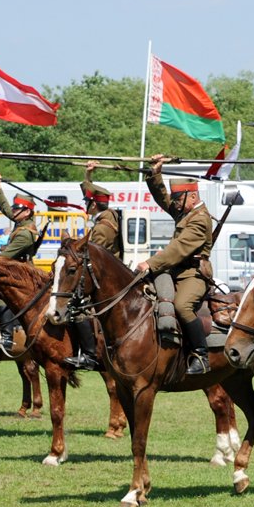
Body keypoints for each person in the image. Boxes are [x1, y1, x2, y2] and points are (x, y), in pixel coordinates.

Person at [137, 154, 213, 375]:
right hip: (175, 271)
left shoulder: (199, 218)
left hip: (193, 274)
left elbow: (178, 248)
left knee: (181, 306)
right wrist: (155, 173)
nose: (175, 204)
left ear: (193, 196)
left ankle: (201, 355)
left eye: (179, 200)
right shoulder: (185, 211)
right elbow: (163, 198)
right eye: (176, 200)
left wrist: (150, 263)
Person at [64, 161, 123, 371]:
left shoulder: (102, 229)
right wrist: (88, 174)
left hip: (104, 278)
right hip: (103, 275)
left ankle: (89, 355)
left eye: (87, 202)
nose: (85, 206)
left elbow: (92, 257)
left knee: (77, 309)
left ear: (94, 205)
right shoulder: (105, 219)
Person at [0, 174, 39, 261]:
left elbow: (2, 258)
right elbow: (5, 207)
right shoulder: (23, 222)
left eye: (17, 209)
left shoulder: (24, 234)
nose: (13, 210)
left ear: (27, 212)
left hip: (20, 273)